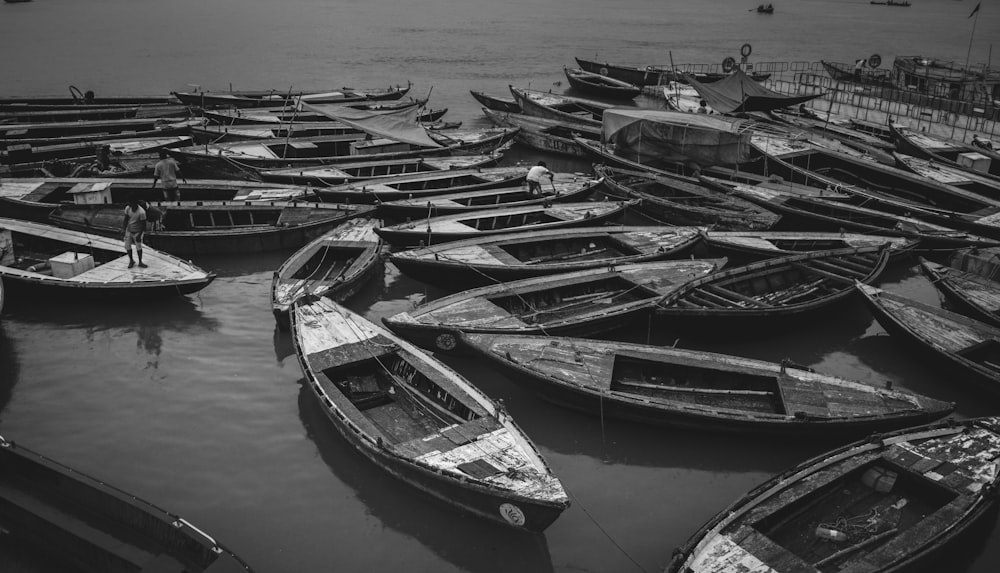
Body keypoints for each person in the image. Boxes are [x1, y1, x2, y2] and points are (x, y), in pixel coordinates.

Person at [122, 195, 148, 269]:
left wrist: (139, 235)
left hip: (138, 231)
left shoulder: (141, 212)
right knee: (127, 246)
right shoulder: (128, 208)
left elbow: (143, 225)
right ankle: (131, 260)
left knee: (138, 247)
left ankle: (140, 261)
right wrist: (124, 229)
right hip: (129, 230)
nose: (130, 205)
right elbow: (126, 219)